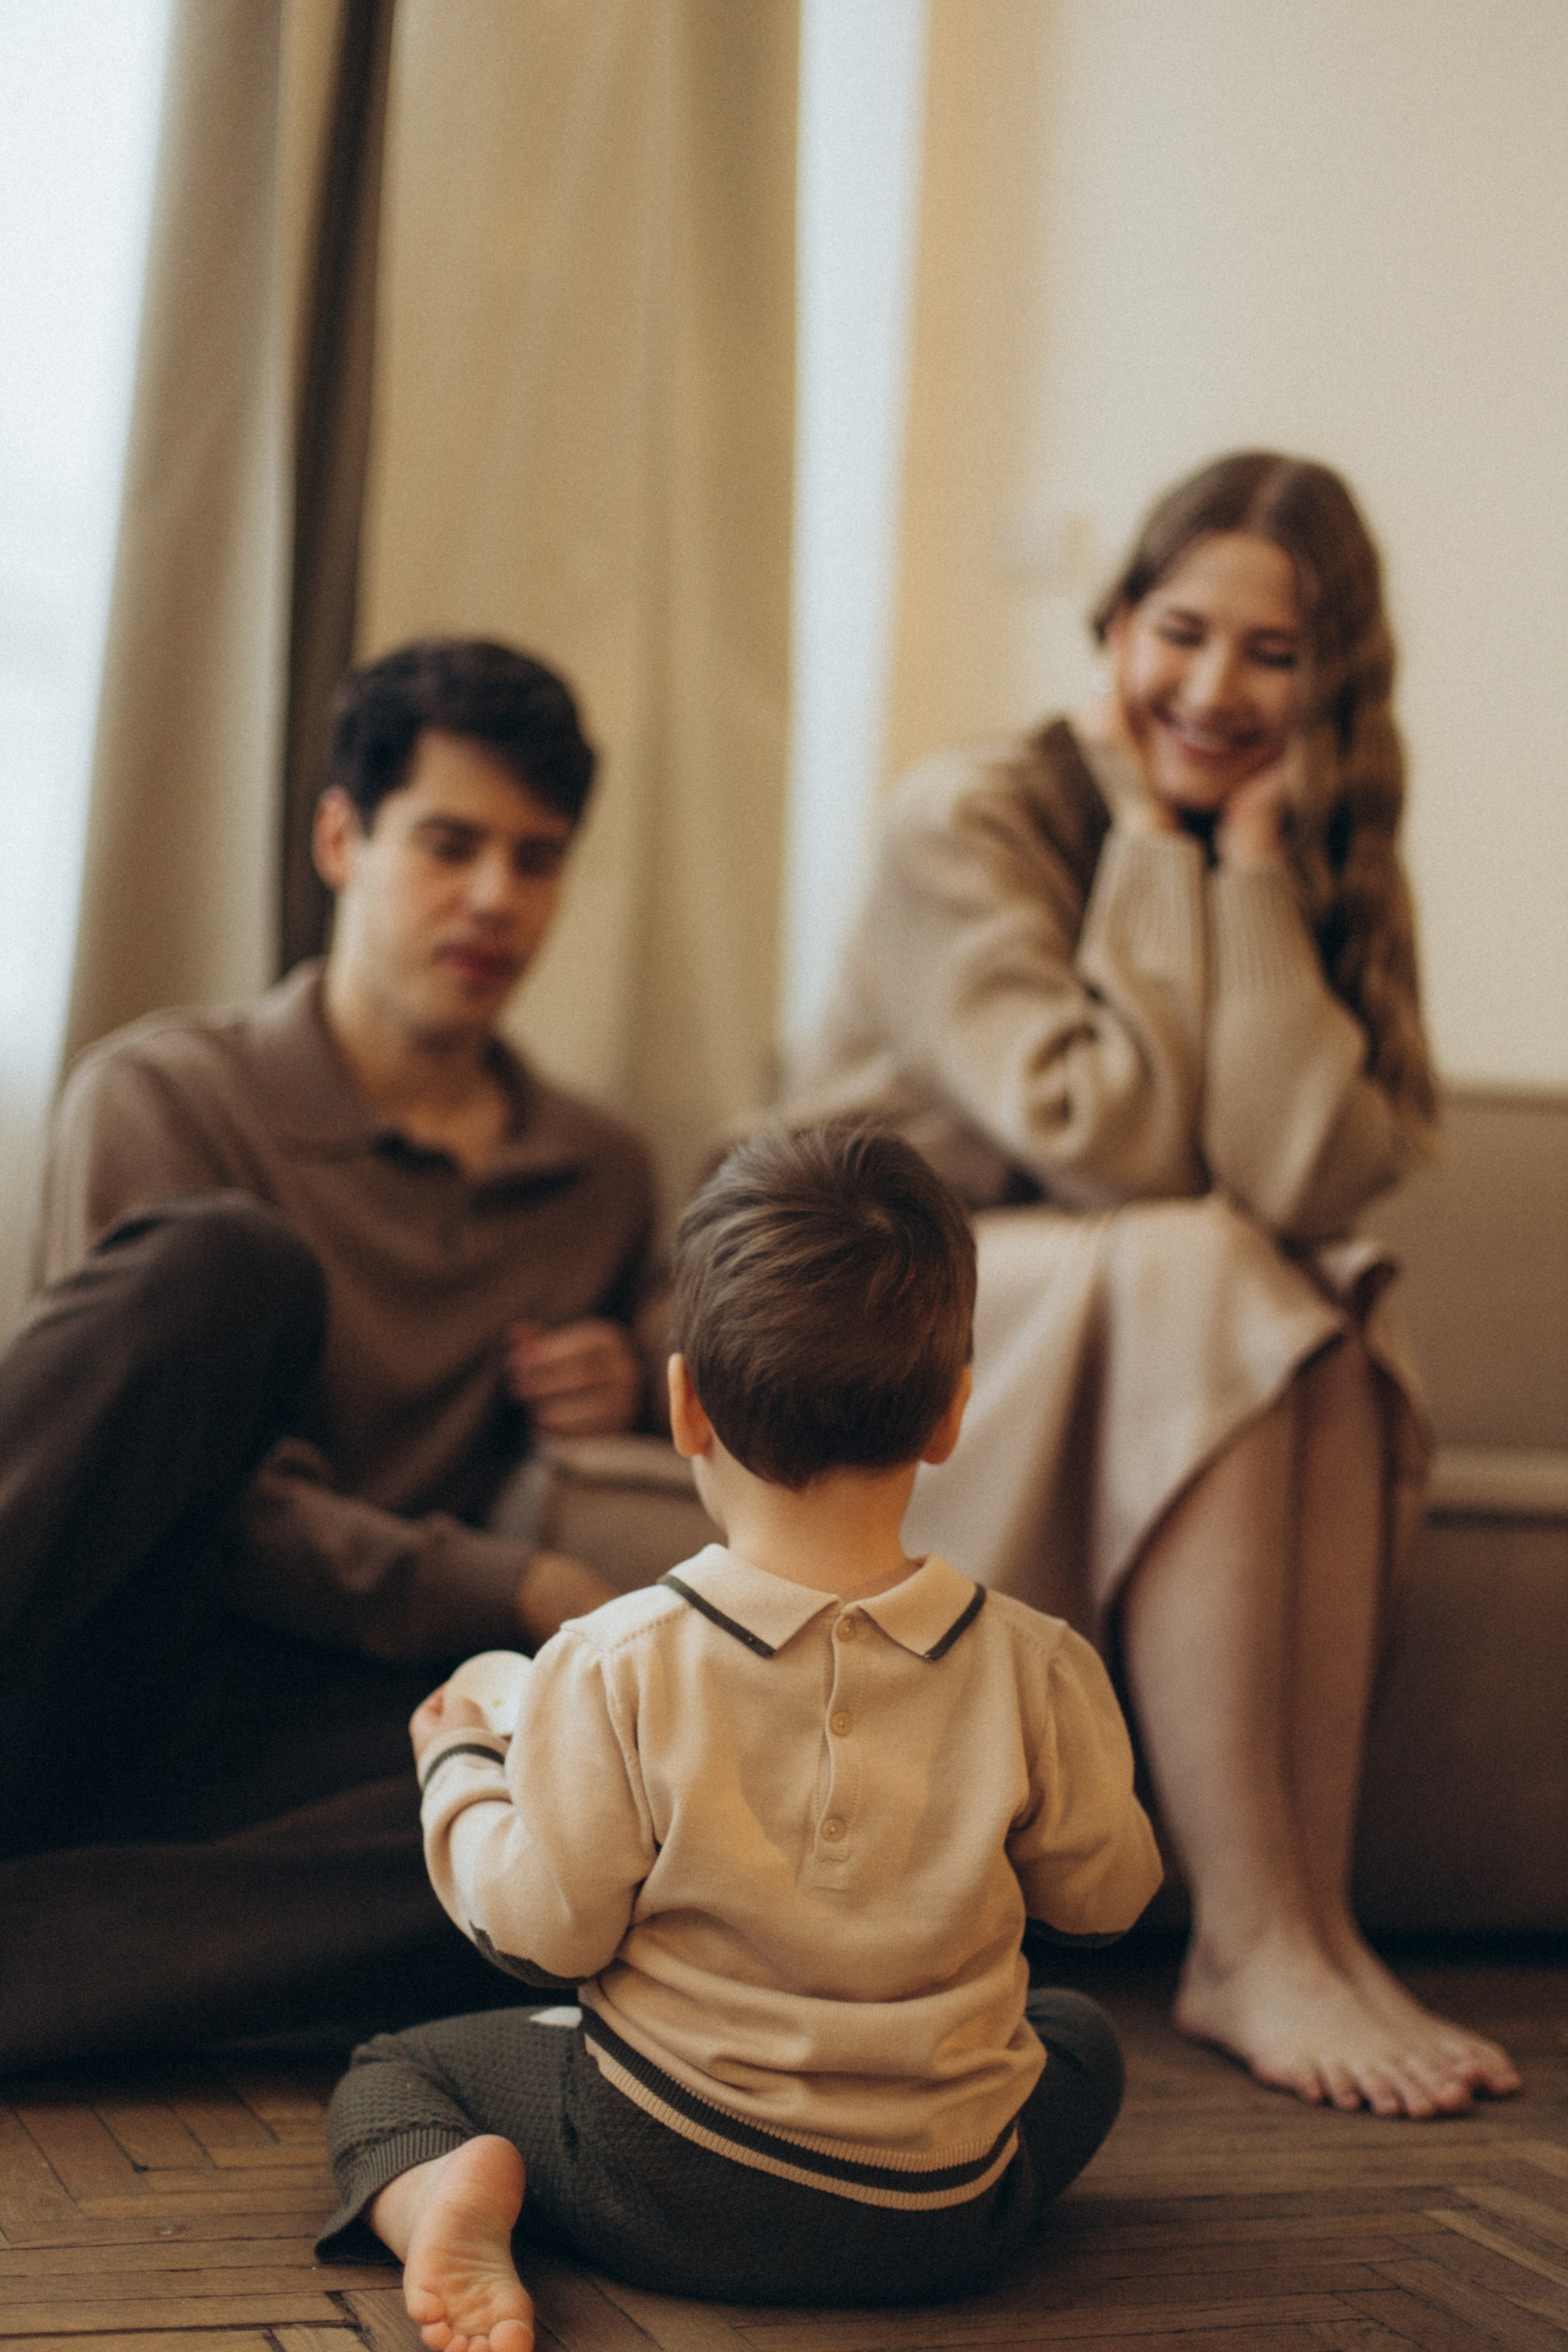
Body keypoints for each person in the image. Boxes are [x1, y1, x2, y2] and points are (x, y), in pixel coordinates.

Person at [778, 453, 1520, 2119]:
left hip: (1081, 1290)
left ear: (1336, 681)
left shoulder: (1303, 850)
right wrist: (1139, 845)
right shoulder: (967, 813)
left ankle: (1306, 1923)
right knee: (1200, 1261)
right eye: (1180, 631)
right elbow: (1105, 1143)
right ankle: (1247, 1931)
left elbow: (1302, 1178)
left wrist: (1249, 870)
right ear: (1111, 626)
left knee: (1329, 1305)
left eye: (1276, 654)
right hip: (864, 1277)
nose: (1215, 687)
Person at [315, 1125, 1163, 2329]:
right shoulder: (1038, 1664)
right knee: (1075, 2038)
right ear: (950, 1414)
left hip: (665, 2188)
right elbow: (1106, 1899)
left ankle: (439, 2199)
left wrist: (458, 1770)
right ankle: (920, 2177)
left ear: (683, 1406)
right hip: (942, 2221)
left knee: (396, 2070)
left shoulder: (610, 1663)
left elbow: (546, 1933)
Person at [0, 637, 676, 2067]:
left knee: (582, 1815)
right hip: (81, 1648)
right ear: (338, 836)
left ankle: (48, 1963)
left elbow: (744, 1347)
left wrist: (634, 1353)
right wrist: (527, 1584)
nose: (495, 897)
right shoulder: (166, 1092)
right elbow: (200, 1502)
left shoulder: (600, 1173)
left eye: (536, 859)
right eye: (449, 843)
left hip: (307, 1736)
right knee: (228, 1266)